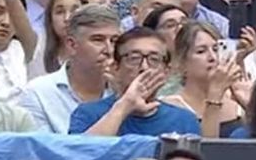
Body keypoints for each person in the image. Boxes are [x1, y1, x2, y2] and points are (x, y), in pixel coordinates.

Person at [70, 26, 199, 135]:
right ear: (115, 68)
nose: (144, 67)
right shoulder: (88, 114)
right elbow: (80, 154)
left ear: (166, 71)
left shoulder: (184, 120)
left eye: (154, 59)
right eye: (134, 58)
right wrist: (124, 106)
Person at [20, 4, 120, 133]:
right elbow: (41, 151)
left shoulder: (127, 92)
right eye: (98, 40)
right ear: (72, 45)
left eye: (114, 41)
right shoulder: (37, 94)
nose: (109, 50)